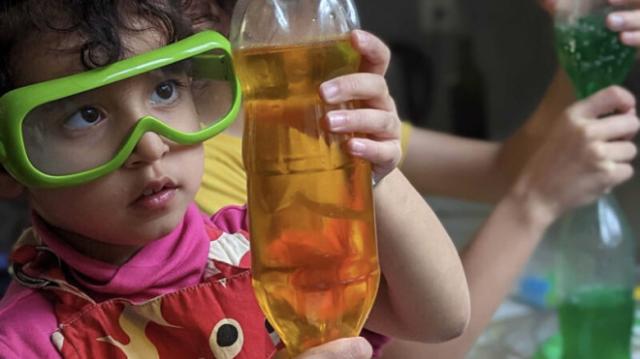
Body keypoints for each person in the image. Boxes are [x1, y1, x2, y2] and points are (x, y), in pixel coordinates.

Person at [0, 1, 469, 358]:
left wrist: (377, 172)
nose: (150, 145)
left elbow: (439, 317)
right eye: (86, 115)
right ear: (8, 164)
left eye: (165, 90)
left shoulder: (263, 243)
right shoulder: (27, 341)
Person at [184, 1, 640, 358]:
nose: (331, 20)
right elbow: (406, 349)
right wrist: (534, 203)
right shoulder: (182, 181)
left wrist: (582, 40)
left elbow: (502, 170)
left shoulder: (302, 96)